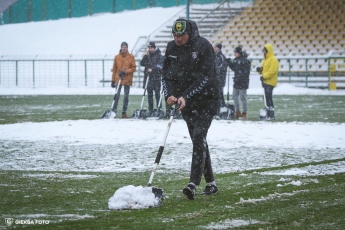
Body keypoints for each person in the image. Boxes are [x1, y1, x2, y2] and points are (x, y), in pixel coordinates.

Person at [162, 18, 219, 200]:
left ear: (190, 33)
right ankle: (211, 183)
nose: (178, 39)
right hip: (184, 102)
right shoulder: (171, 48)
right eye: (175, 35)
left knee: (199, 136)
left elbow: (205, 77)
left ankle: (192, 183)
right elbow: (166, 75)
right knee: (198, 139)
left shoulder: (203, 46)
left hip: (206, 100)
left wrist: (185, 95)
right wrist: (169, 95)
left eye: (181, 35)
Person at [111, 42, 136, 118]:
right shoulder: (117, 57)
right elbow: (114, 69)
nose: (124, 48)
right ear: (121, 48)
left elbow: (133, 68)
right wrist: (112, 80)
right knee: (117, 96)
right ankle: (114, 112)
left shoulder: (131, 57)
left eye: (125, 47)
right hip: (118, 79)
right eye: (123, 47)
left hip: (127, 79)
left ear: (127, 48)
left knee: (126, 97)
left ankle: (124, 112)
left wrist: (125, 71)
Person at [140, 42, 164, 116]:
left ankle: (159, 108)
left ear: (154, 48)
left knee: (157, 94)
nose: (150, 49)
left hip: (156, 78)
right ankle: (151, 109)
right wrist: (145, 56)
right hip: (149, 78)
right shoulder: (147, 56)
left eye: (151, 48)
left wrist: (152, 69)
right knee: (149, 94)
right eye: (149, 48)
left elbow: (160, 66)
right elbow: (142, 63)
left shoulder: (159, 55)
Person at [227, 46, 251, 120]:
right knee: (234, 97)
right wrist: (229, 63)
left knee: (242, 98)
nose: (234, 54)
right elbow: (234, 68)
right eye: (234, 52)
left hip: (243, 82)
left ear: (239, 53)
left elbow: (246, 72)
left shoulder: (246, 61)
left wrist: (240, 77)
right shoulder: (236, 60)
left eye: (236, 52)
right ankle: (237, 112)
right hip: (236, 82)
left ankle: (244, 113)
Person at [256, 44, 279, 120]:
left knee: (268, 98)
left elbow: (272, 71)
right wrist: (259, 70)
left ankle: (270, 112)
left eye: (265, 51)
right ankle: (269, 111)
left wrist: (264, 76)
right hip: (265, 82)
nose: (264, 52)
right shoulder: (265, 60)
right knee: (266, 98)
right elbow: (263, 69)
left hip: (270, 82)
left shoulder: (273, 59)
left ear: (268, 51)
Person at [213, 42, 228, 119]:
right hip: (215, 80)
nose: (213, 48)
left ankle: (219, 113)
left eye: (215, 47)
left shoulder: (221, 57)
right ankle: (216, 112)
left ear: (218, 48)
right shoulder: (214, 56)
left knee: (219, 96)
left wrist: (214, 73)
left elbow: (221, 68)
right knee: (216, 96)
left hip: (219, 81)